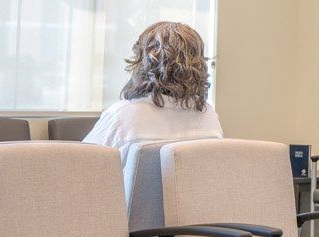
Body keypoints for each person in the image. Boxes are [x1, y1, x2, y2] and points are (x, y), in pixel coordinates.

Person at [84, 21, 223, 159]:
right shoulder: (209, 117)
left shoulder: (122, 117)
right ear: (198, 64)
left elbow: (79, 167)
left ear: (142, 62)